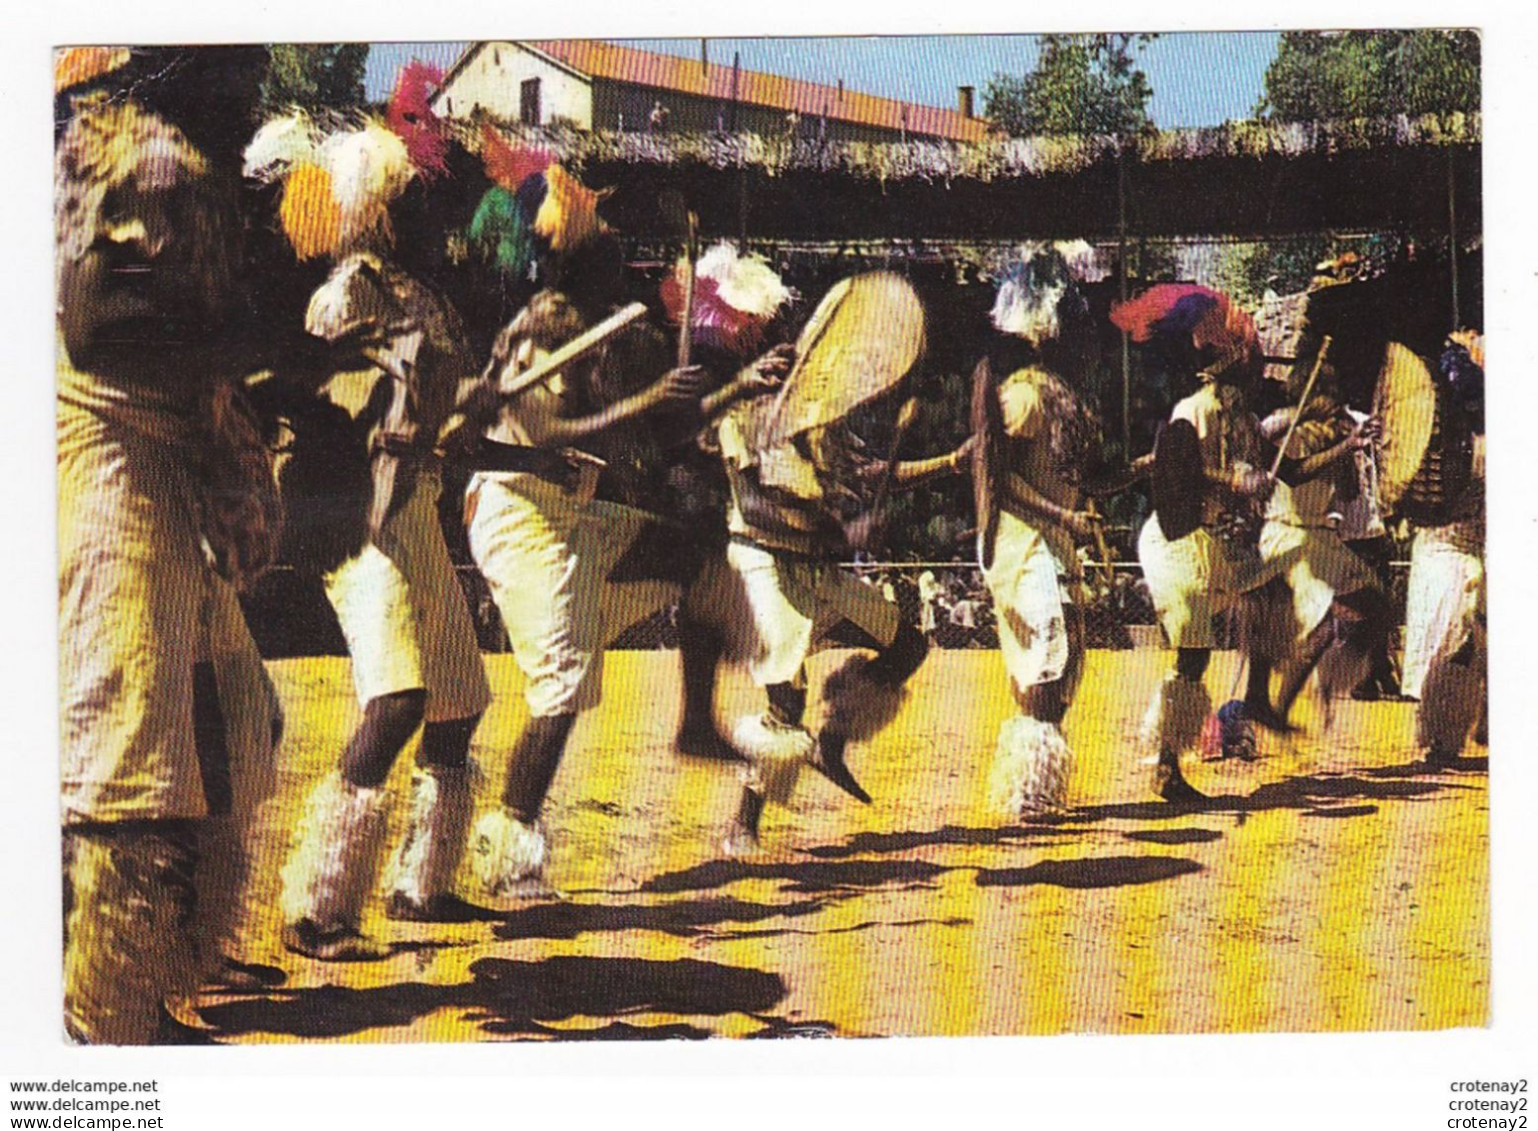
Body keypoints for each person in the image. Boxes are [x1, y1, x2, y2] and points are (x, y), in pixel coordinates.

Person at [57, 87, 282, 1041]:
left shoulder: (192, 178)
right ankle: (99, 1035)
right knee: (123, 778)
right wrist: (274, 337)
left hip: (162, 488)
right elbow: (91, 311)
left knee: (237, 723)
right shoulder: (122, 151)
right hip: (108, 485)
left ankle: (145, 992)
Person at [246, 116, 493, 957]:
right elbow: (316, 412)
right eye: (411, 198)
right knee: (398, 700)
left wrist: (466, 428)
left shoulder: (427, 299)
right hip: (362, 517)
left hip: (415, 506)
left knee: (459, 697)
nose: (428, 210)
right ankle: (317, 909)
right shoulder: (345, 294)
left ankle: (422, 884)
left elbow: (432, 419)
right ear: (379, 211)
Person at [459, 291, 780, 896]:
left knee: (690, 551)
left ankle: (697, 724)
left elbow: (656, 434)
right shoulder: (541, 333)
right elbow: (546, 430)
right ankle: (511, 848)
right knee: (563, 687)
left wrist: (738, 388)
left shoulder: (603, 334)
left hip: (575, 512)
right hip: (518, 513)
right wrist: (643, 399)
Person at [685, 343, 967, 854]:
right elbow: (752, 506)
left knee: (907, 647)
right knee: (785, 701)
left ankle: (831, 744)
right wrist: (840, 537)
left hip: (816, 564)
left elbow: (869, 474)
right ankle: (743, 827)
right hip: (761, 562)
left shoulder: (820, 425)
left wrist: (949, 463)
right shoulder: (742, 419)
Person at [971, 245, 1106, 819]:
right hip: (1026, 549)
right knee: (1048, 663)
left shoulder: (1061, 394)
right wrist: (1062, 517)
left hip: (1053, 546)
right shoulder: (1023, 394)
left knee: (1065, 661)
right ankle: (1027, 792)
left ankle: (1036, 787)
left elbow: (1073, 477)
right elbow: (998, 478)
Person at [1402, 331, 1486, 767]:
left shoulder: (1486, 445)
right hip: (1440, 551)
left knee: (1465, 644)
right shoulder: (1427, 441)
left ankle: (1451, 733)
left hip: (1473, 551)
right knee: (1447, 642)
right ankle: (1439, 736)